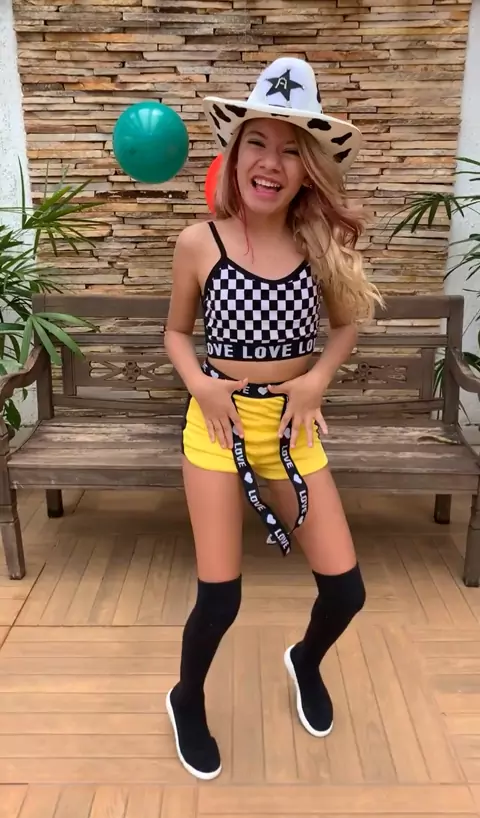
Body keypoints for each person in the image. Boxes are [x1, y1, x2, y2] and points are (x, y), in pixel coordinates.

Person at [164, 57, 382, 781]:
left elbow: (345, 328)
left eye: (292, 150)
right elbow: (176, 334)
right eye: (257, 142)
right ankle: (186, 697)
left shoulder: (321, 246)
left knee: (345, 591)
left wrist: (315, 380)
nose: (271, 162)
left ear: (308, 169)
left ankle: (304, 659)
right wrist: (201, 384)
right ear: (235, 155)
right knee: (220, 599)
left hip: (291, 432)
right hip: (217, 429)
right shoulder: (200, 243)